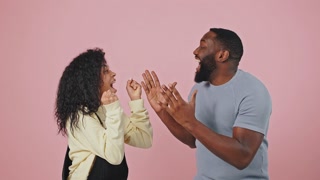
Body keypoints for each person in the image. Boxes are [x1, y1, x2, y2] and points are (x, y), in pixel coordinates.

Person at [141, 28, 272, 179]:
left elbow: (242, 157)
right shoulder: (199, 89)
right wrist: (162, 111)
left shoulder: (253, 91)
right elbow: (193, 139)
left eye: (203, 46)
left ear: (222, 55)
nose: (195, 51)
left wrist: (190, 122)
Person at [55, 48, 153, 180]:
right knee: (109, 154)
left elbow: (144, 139)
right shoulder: (79, 117)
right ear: (91, 80)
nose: (113, 74)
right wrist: (112, 110)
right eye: (106, 71)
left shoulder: (105, 109)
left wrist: (136, 101)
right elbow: (114, 156)